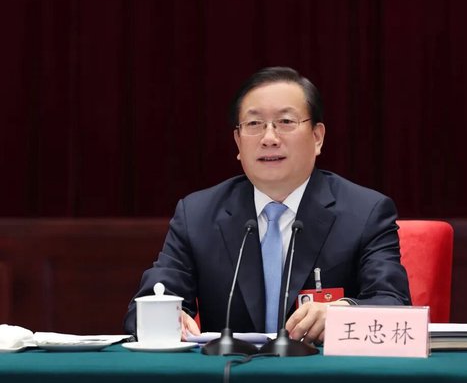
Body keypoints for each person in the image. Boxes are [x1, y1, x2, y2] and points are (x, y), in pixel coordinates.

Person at [123, 66, 411, 344]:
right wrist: (163, 318)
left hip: (323, 369)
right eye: (254, 124)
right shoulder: (198, 215)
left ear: (317, 137)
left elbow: (393, 304)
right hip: (229, 370)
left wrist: (344, 313)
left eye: (285, 122)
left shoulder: (365, 212)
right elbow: (145, 305)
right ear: (238, 141)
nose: (269, 138)